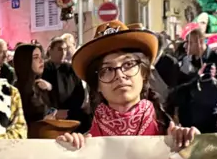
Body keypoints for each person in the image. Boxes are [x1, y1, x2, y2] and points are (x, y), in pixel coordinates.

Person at [54, 22, 193, 150]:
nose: (120, 75)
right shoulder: (84, 141)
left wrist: (192, 147)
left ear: (143, 74)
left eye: (128, 65)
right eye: (107, 70)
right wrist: (69, 155)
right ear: (97, 85)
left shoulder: (168, 130)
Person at [167, 27, 217, 133]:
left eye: (189, 42)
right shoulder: (185, 61)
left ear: (200, 42)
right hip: (189, 116)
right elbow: (179, 87)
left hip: (211, 116)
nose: (185, 46)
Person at [41, 36, 89, 128]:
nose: (63, 52)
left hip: (70, 114)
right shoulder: (43, 69)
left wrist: (69, 111)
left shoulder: (71, 69)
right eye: (59, 49)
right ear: (50, 50)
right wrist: (54, 112)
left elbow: (79, 92)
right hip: (49, 116)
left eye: (65, 49)